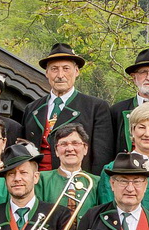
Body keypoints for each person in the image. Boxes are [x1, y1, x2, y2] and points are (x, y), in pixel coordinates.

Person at [22, 44, 109, 174]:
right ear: (47, 73)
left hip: (76, 180)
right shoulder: (32, 108)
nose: (60, 75)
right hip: (36, 180)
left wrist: (94, 183)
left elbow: (101, 157)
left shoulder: (96, 107)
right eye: (54, 69)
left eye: (66, 68)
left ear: (77, 71)